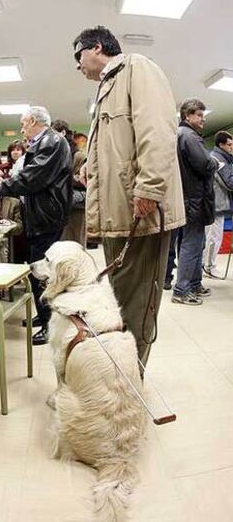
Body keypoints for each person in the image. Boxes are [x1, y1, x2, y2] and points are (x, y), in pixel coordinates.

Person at [74, 25, 185, 367]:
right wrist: (90, 167)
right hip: (118, 216)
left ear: (95, 47)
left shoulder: (136, 68)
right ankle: (117, 373)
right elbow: (119, 145)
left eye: (77, 57)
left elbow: (157, 128)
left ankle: (128, 381)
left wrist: (150, 187)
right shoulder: (107, 87)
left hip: (141, 213)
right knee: (120, 300)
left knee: (136, 303)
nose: (77, 66)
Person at [0, 106, 73, 345]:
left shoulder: (50, 141)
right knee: (39, 270)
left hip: (46, 217)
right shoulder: (45, 142)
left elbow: (33, 177)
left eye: (23, 123)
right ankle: (44, 315)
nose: (22, 128)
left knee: (42, 272)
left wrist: (0, 187)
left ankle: (50, 325)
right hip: (42, 215)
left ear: (34, 120)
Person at [172, 99, 217, 305]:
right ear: (187, 116)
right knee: (192, 244)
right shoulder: (189, 136)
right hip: (194, 199)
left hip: (188, 198)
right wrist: (215, 162)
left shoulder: (181, 135)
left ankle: (194, 284)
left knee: (193, 243)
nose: (202, 119)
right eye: (199, 115)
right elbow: (205, 164)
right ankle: (182, 290)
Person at [203, 130, 233, 278]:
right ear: (221, 145)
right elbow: (230, 183)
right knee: (214, 237)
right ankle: (209, 266)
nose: (231, 147)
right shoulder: (219, 160)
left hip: (215, 203)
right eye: (229, 145)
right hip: (216, 204)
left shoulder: (220, 159)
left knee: (211, 236)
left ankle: (206, 265)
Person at [52, 119, 86, 246]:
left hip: (77, 207)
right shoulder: (58, 153)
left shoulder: (79, 155)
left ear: (63, 132)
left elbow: (84, 180)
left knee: (77, 244)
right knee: (62, 246)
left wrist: (61, 178)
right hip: (61, 207)